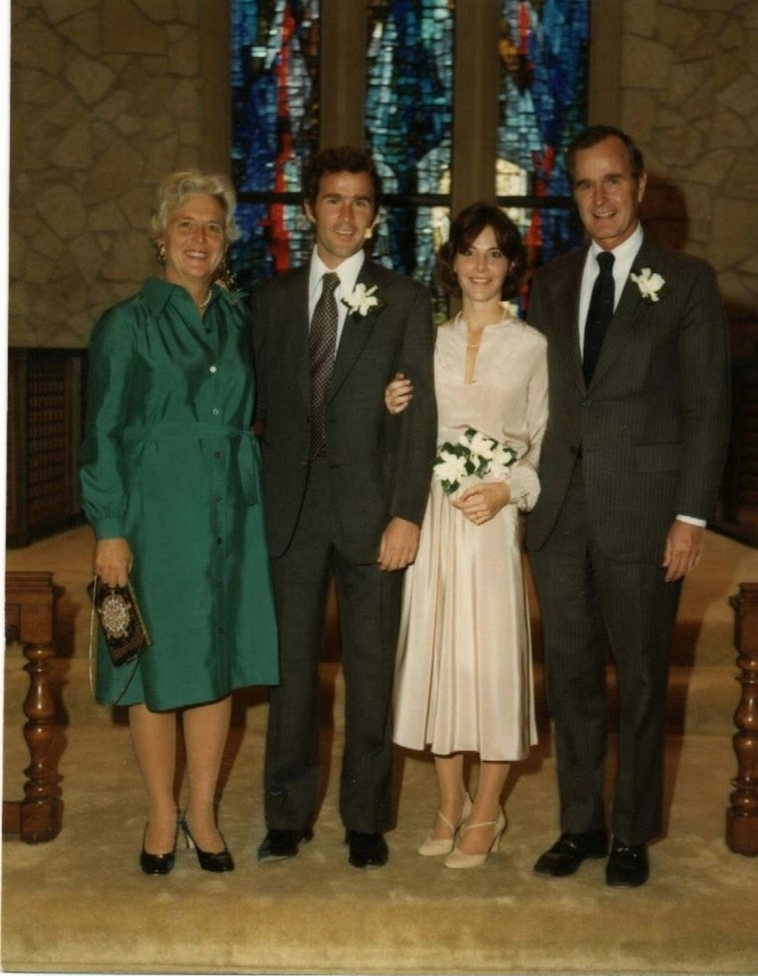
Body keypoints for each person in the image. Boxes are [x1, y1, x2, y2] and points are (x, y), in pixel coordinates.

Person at [526, 125, 730, 887]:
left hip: (645, 513)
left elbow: (710, 408)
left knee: (641, 678)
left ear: (641, 187)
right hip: (559, 513)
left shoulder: (687, 281)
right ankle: (580, 822)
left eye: (613, 181)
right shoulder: (549, 281)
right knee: (571, 674)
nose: (600, 198)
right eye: (584, 185)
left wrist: (692, 515)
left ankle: (631, 832)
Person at [80, 170, 279, 876]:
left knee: (217, 659)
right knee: (158, 659)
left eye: (213, 227)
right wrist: (108, 526)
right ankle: (161, 810)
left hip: (231, 502)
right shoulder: (125, 324)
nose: (200, 238)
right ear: (161, 237)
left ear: (227, 243)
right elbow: (102, 433)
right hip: (154, 513)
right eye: (187, 225)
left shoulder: (238, 318)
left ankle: (203, 809)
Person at [251, 146, 437, 869]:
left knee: (369, 669)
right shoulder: (269, 301)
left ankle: (365, 816)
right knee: (291, 671)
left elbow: (418, 418)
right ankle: (286, 814)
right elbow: (255, 405)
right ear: (308, 210)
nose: (347, 214)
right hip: (290, 511)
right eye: (334, 199)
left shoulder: (407, 300)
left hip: (371, 511)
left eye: (361, 202)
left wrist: (407, 513)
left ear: (375, 216)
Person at [387, 203, 548, 869]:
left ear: (511, 266)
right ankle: (449, 804)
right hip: (438, 516)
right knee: (440, 661)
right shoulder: (427, 342)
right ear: (451, 263)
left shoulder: (533, 346)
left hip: (493, 522)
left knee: (490, 662)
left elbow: (544, 442)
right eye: (470, 252)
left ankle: (488, 809)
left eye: (495, 253)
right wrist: (390, 401)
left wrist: (511, 489)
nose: (481, 266)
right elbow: (404, 434)